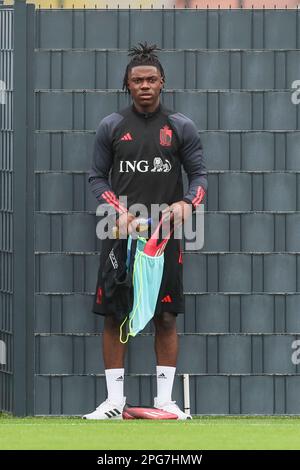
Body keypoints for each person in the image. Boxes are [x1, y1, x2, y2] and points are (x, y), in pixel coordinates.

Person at [83, 42, 207, 420]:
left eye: (151, 79)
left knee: (165, 316)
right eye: (138, 80)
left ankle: (165, 402)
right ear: (128, 85)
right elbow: (96, 177)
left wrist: (188, 204)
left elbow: (199, 176)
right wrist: (120, 212)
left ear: (162, 82)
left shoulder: (180, 126)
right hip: (119, 233)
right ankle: (113, 404)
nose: (145, 85)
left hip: (164, 236)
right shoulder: (112, 126)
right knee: (114, 314)